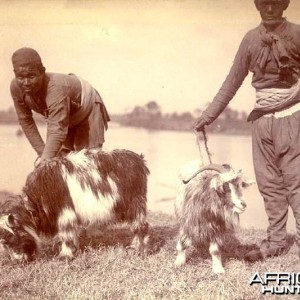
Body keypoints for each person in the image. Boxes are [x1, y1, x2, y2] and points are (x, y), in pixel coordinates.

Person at [194, 0, 300, 262]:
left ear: (284, 5)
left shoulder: (297, 33)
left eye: (275, 3)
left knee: (296, 181)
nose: (270, 9)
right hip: (261, 120)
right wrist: (207, 116)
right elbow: (232, 81)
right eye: (265, 3)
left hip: (294, 116)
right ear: (258, 7)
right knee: (268, 183)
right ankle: (276, 240)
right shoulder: (250, 39)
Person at [10, 47, 110, 164]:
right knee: (61, 159)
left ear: (42, 72)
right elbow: (26, 121)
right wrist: (43, 155)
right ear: (15, 74)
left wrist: (45, 161)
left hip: (88, 108)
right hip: (64, 116)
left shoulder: (55, 88)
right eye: (21, 77)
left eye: (31, 77)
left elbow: (57, 129)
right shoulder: (16, 88)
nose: (26, 83)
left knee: (91, 161)